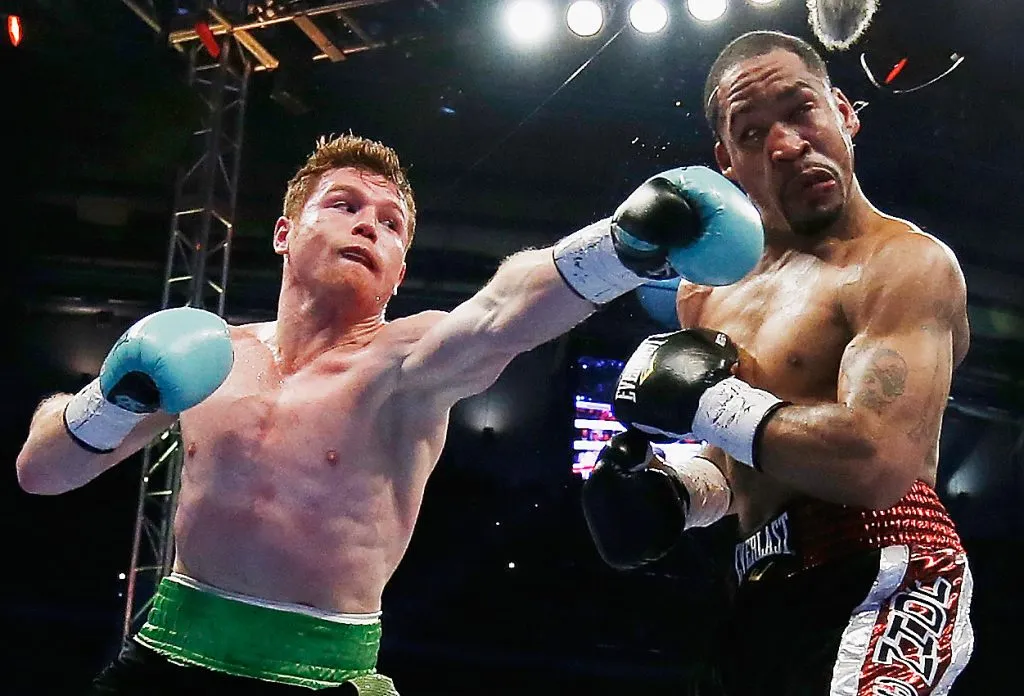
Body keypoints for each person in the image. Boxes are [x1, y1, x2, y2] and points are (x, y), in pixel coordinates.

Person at [16, 133, 763, 694]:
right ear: (284, 233)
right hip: (167, 663)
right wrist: (112, 401)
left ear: (401, 267)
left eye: (391, 222)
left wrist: (621, 246)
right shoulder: (209, 355)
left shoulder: (408, 365)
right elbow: (40, 475)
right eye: (343, 205)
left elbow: (505, 310)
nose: (369, 225)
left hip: (325, 677)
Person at [581, 31, 974, 696]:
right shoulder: (704, 293)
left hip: (885, 563)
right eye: (754, 132)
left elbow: (876, 462)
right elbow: (739, 460)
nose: (787, 144)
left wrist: (710, 403)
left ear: (845, 113)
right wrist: (676, 490)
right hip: (761, 587)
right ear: (727, 162)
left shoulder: (904, 264)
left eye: (801, 111)